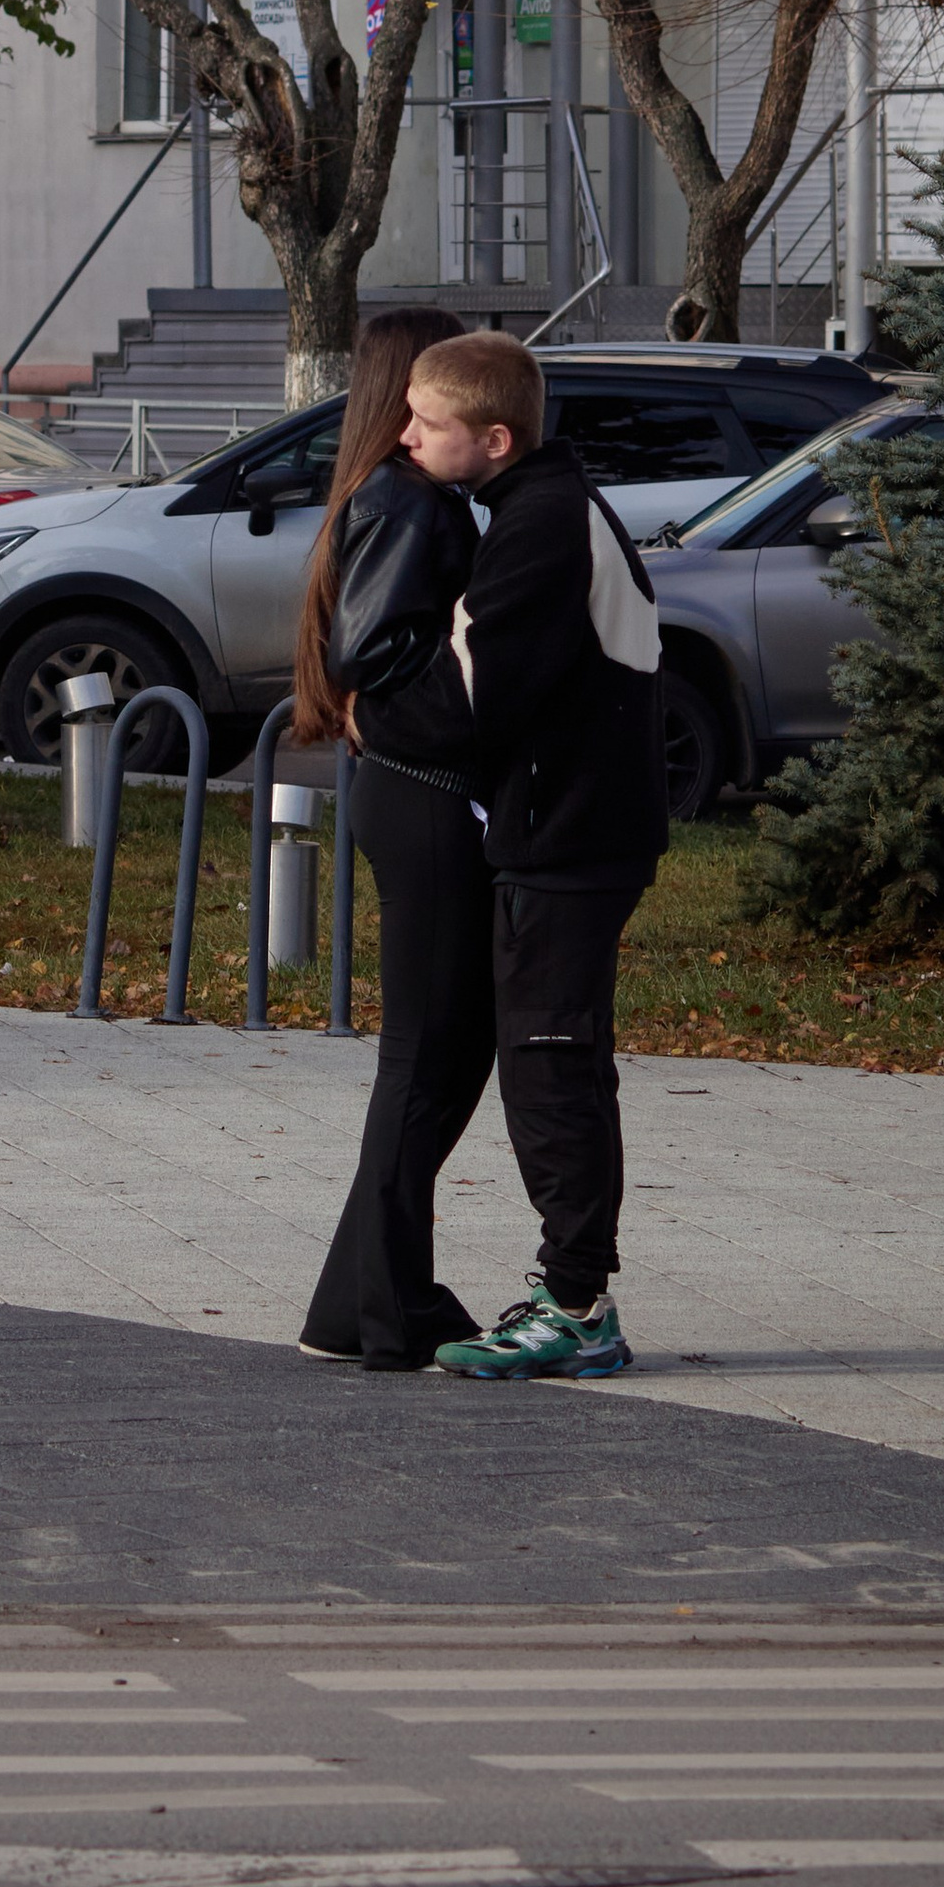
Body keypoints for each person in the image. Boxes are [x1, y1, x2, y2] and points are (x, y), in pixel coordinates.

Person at [399, 330, 670, 1381]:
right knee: (556, 1062)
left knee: (551, 1066)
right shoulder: (538, 504)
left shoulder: (543, 525)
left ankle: (575, 1305)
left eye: (428, 424)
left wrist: (365, 713)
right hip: (570, 829)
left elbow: (470, 694)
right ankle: (570, 1289)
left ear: (495, 438)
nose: (408, 436)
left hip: (573, 839)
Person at [289, 307, 496, 1373]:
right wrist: (425, 714)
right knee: (431, 1056)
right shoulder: (410, 501)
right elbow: (374, 649)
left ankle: (355, 1296)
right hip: (423, 796)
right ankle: (390, 1308)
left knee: (436, 1053)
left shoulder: (388, 494)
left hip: (409, 793)